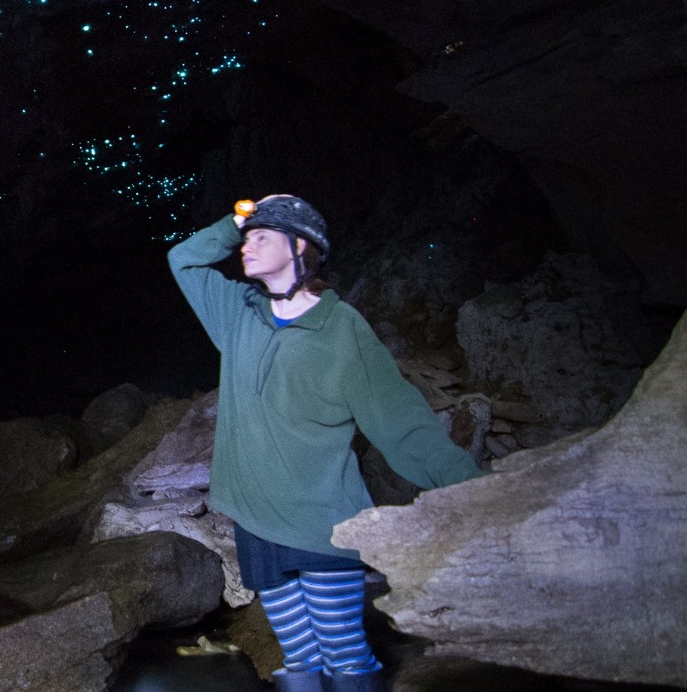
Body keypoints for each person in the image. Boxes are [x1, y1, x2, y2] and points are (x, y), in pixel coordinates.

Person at [168, 195, 486, 692]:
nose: (246, 248)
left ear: (300, 248)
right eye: (246, 240)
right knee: (298, 655)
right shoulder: (238, 313)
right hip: (256, 519)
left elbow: (401, 426)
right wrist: (238, 221)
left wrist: (477, 491)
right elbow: (182, 258)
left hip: (323, 526)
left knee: (344, 650)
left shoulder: (342, 332)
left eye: (262, 238)